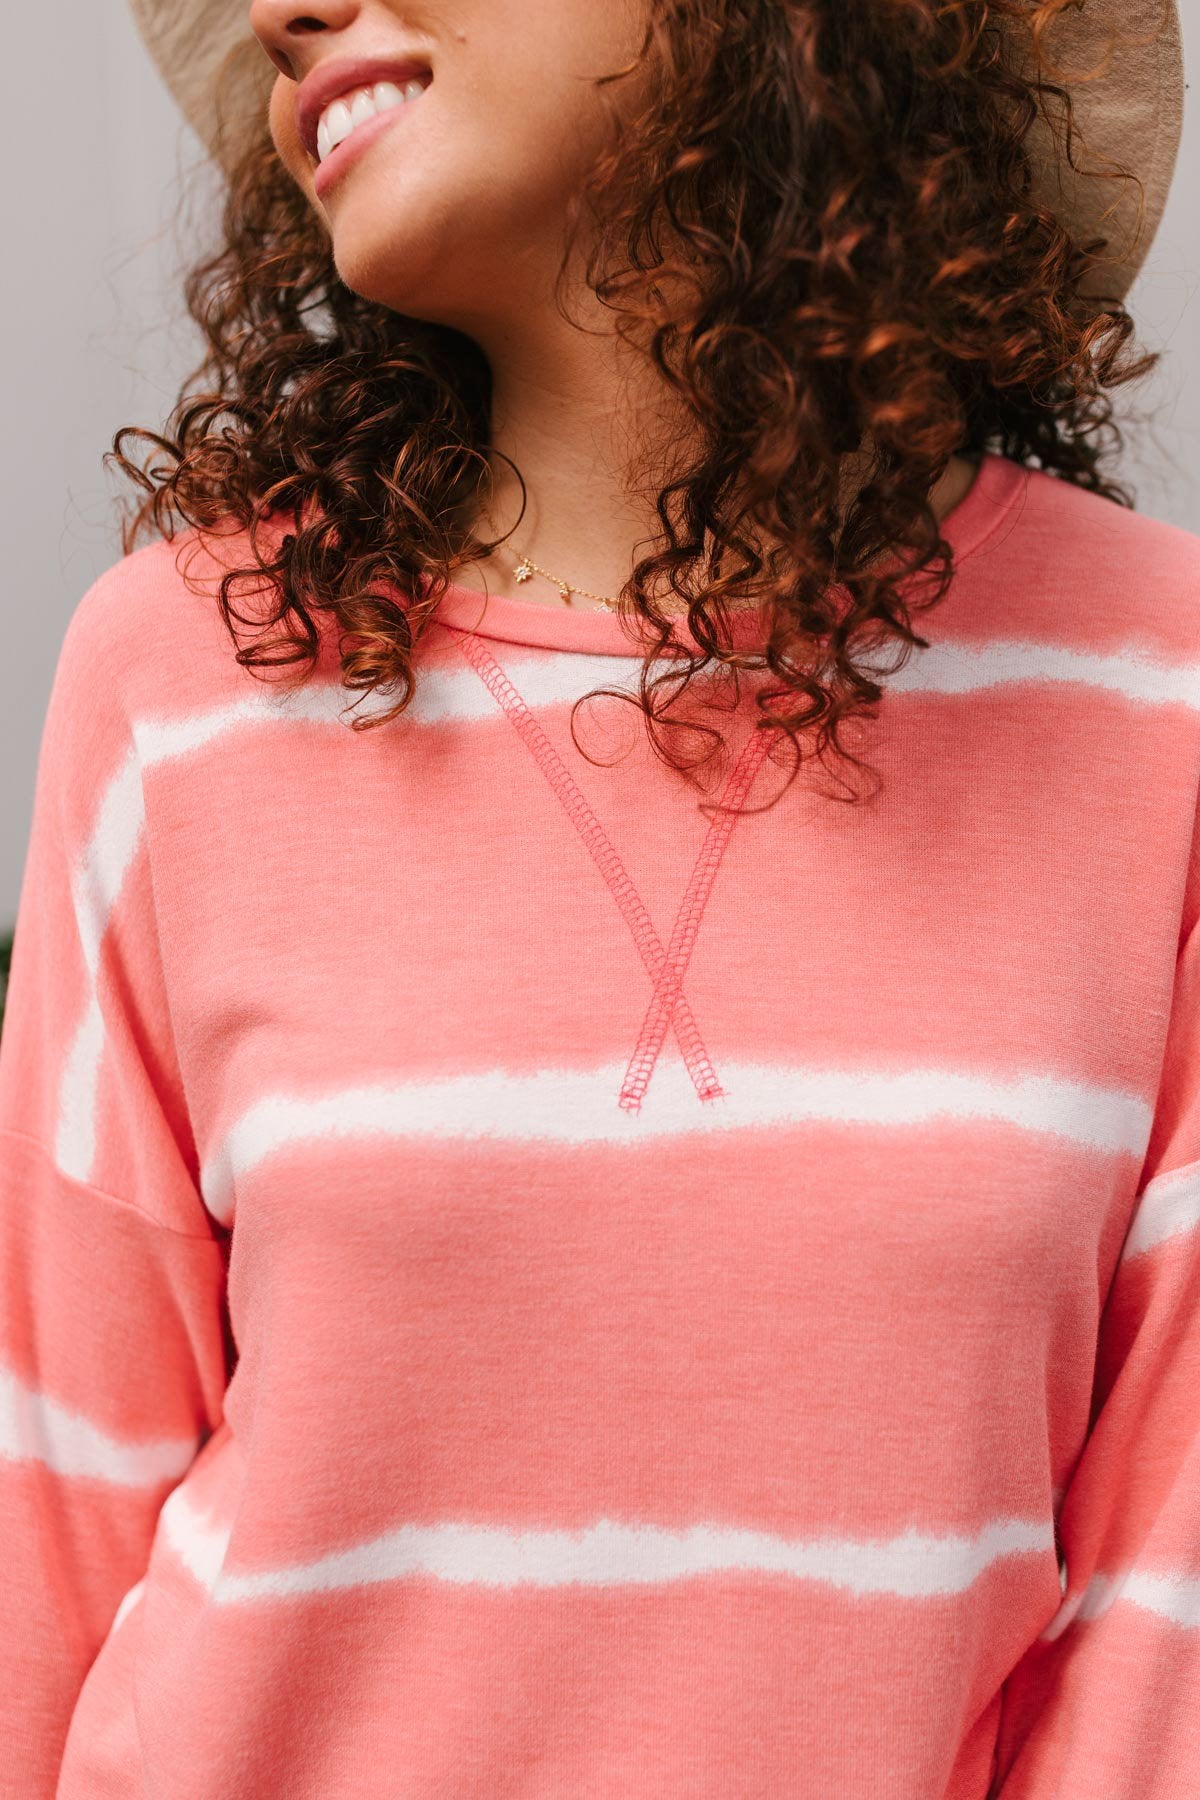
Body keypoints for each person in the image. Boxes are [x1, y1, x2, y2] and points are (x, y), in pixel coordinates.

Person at [1, 0, 1195, 1793]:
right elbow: (53, 1531)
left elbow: (1166, 1603)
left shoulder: (1156, 690)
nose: (281, 9)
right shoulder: (182, 679)